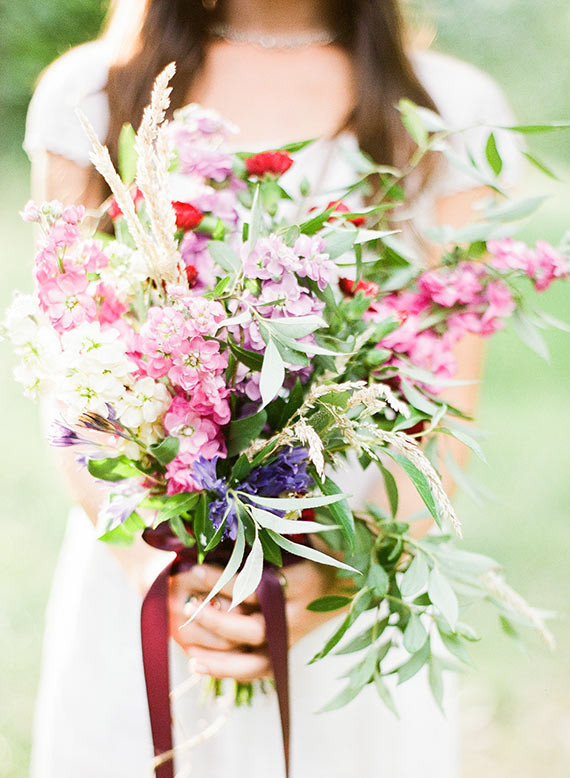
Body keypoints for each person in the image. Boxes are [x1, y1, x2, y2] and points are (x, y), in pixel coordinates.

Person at [24, 1, 520, 776]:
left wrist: (336, 574)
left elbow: (448, 399)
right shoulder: (94, 91)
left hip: (349, 552)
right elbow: (71, 371)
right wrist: (152, 572)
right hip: (151, 556)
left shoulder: (449, 106)